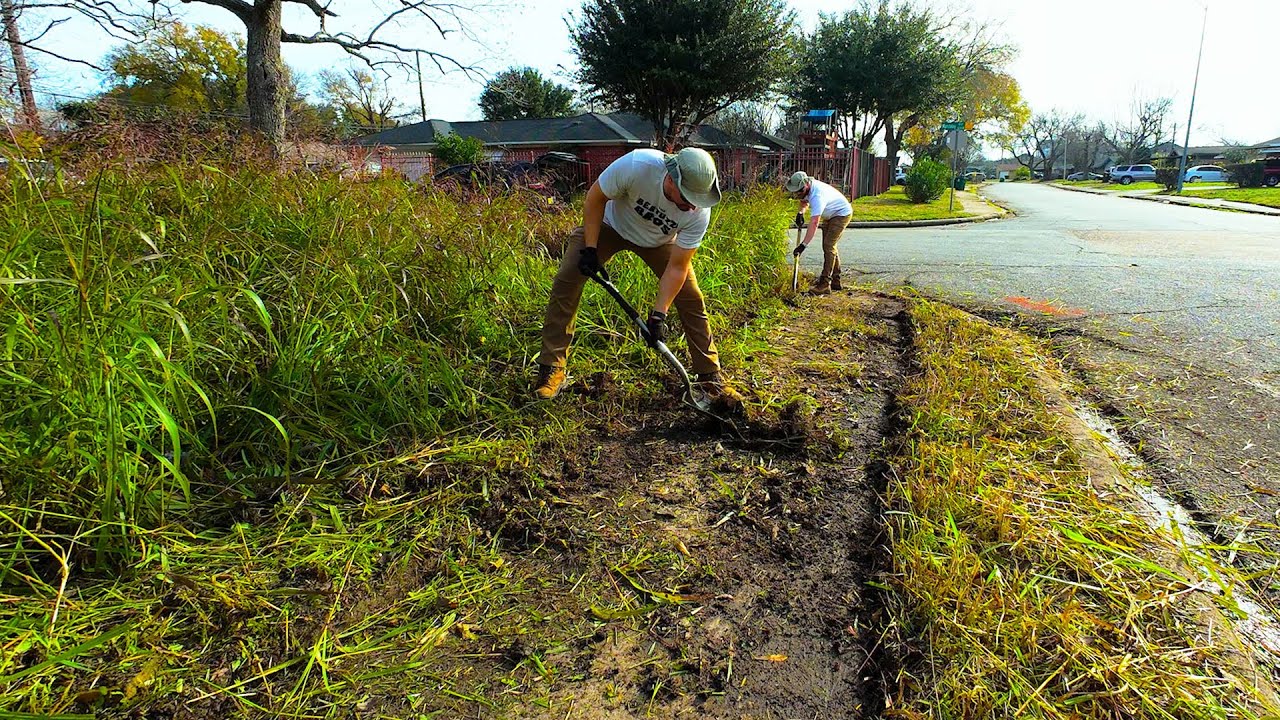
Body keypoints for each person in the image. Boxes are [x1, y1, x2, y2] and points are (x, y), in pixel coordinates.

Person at [532, 147, 743, 406]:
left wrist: (659, 314)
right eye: (687, 197)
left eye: (697, 200)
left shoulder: (699, 212)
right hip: (610, 226)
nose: (691, 206)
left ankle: (710, 376)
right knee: (567, 280)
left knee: (691, 297)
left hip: (659, 242)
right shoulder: (637, 166)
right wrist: (590, 248)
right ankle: (552, 368)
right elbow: (595, 198)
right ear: (671, 178)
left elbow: (677, 268)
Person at [785, 171, 853, 295]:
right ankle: (836, 280)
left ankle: (825, 284)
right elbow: (804, 202)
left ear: (806, 184)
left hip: (841, 214)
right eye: (796, 191)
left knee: (828, 246)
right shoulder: (806, 189)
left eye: (800, 190)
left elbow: (814, 222)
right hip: (830, 215)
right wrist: (801, 213)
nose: (798, 193)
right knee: (830, 246)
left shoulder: (817, 196)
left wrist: (803, 245)